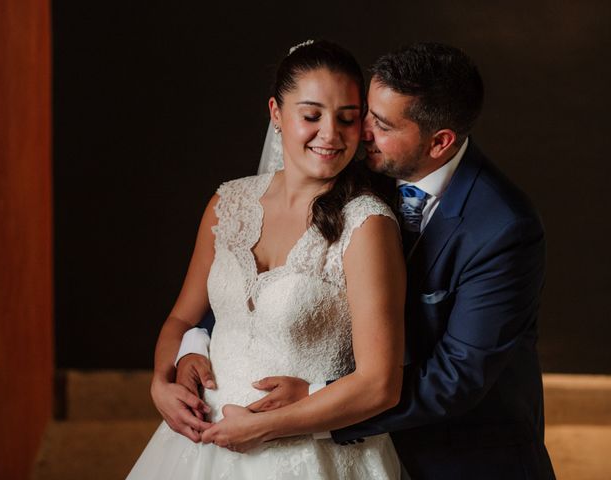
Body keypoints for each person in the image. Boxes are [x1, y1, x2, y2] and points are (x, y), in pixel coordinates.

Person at [176, 42, 556, 480]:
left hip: (457, 455)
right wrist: (194, 343)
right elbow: (250, 270)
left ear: (440, 142)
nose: (359, 133)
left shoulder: (503, 228)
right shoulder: (355, 170)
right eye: (366, 114)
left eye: (380, 123)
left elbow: (456, 379)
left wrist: (315, 400)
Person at [126, 40, 406, 479]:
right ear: (276, 113)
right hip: (206, 447)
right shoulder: (227, 202)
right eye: (311, 115)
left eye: (346, 118)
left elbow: (380, 385)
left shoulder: (367, 225)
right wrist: (163, 382)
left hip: (310, 455)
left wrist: (265, 428)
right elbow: (181, 321)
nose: (330, 134)